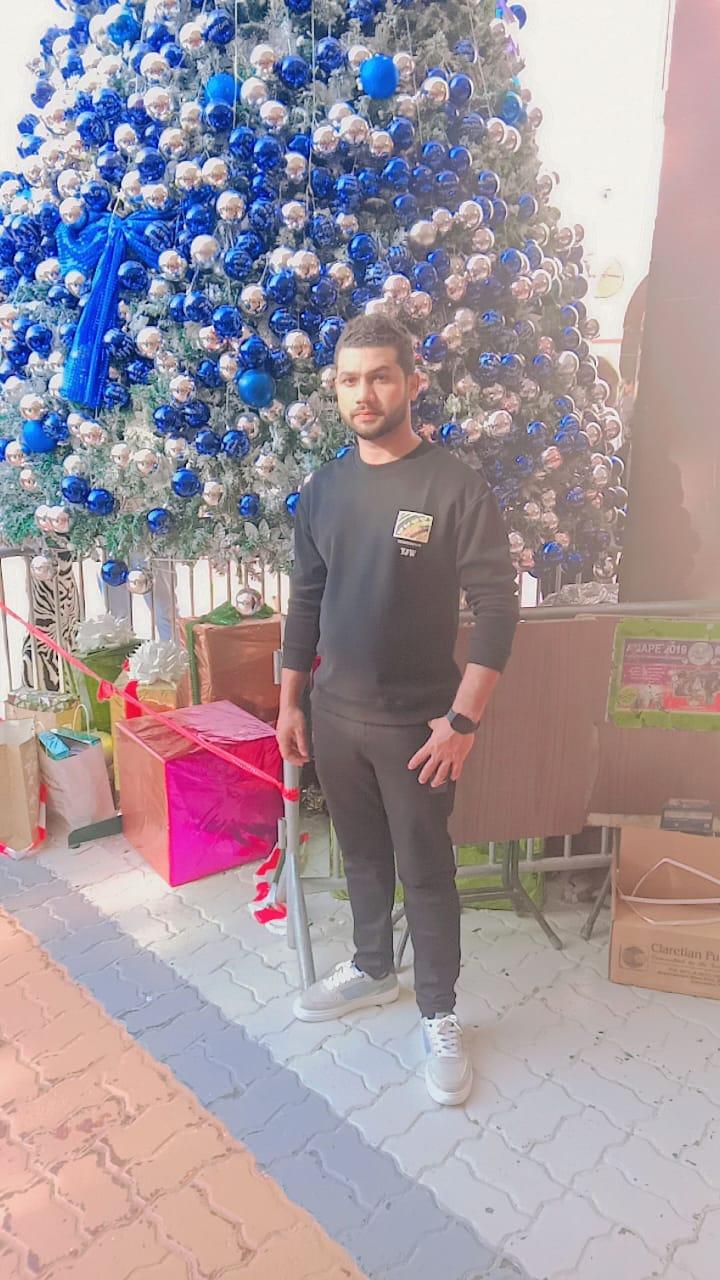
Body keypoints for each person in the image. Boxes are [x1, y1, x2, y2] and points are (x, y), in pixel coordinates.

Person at [277, 315, 519, 1106]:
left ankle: (439, 1012)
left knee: (426, 871)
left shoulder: (452, 487)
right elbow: (304, 599)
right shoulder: (324, 488)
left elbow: (497, 607)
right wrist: (291, 702)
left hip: (420, 728)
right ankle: (374, 967)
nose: (364, 393)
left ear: (413, 382)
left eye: (380, 376)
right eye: (349, 379)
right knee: (361, 857)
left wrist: (463, 722)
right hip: (335, 717)